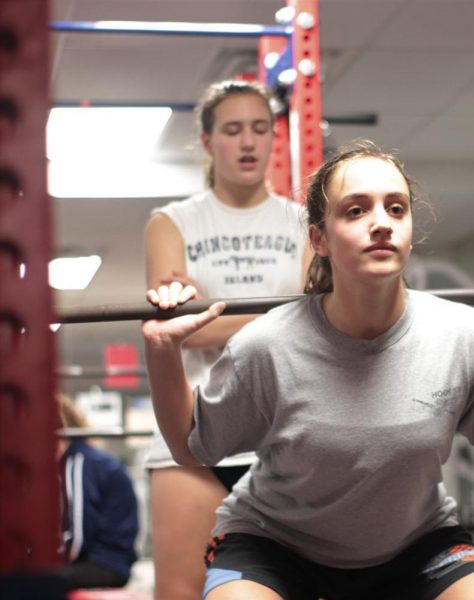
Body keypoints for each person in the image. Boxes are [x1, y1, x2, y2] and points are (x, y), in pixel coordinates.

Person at [141, 139, 474, 599]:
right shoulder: (268, 344)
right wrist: (162, 351)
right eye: (355, 211)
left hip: (416, 546)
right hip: (274, 546)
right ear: (318, 239)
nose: (381, 224)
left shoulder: (464, 335)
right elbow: (191, 447)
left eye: (395, 209)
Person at [142, 79, 310, 600]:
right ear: (208, 141)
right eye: (233, 130)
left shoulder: (306, 222)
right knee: (182, 592)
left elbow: (323, 321)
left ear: (273, 140)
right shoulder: (172, 222)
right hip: (190, 430)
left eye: (260, 129)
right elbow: (180, 332)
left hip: (284, 431)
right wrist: (290, 310)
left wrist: (210, 316)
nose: (247, 142)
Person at [57, 393, 139, 590]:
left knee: (28, 581)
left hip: (105, 564)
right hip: (108, 561)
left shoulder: (78, 462)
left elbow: (78, 538)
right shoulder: (90, 460)